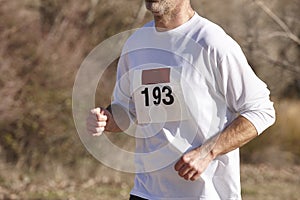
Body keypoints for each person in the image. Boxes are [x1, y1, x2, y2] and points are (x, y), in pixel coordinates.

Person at [86, 0, 276, 199]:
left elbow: (261, 110)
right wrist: (106, 119)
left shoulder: (212, 42)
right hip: (147, 192)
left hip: (206, 194)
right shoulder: (136, 44)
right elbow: (127, 110)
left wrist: (208, 152)